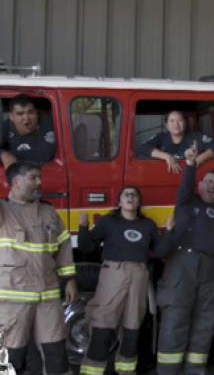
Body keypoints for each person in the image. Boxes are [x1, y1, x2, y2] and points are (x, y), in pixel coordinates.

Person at [156, 143, 214, 374]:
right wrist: (191, 164)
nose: (212, 187)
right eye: (208, 182)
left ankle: (195, 370)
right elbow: (185, 185)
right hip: (182, 267)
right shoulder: (186, 201)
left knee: (205, 323)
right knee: (175, 321)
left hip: (211, 271)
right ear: (200, 185)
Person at [77, 188, 174, 375]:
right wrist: (83, 227)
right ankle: (91, 372)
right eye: (126, 195)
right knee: (103, 324)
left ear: (138, 203)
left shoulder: (148, 225)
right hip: (113, 273)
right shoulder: (108, 222)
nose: (130, 197)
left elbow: (160, 252)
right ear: (119, 202)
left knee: (132, 327)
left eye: (134, 195)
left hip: (139, 275)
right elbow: (86, 247)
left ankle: (126, 371)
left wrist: (169, 232)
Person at [0, 162, 77, 375]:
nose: (40, 182)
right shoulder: (3, 211)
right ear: (15, 182)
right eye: (33, 178)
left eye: (39, 177)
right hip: (14, 298)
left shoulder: (48, 212)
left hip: (48, 296)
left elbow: (63, 246)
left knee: (56, 353)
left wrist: (69, 278)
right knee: (10, 355)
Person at [137, 110, 214, 173]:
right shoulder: (161, 137)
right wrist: (166, 156)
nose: (176, 124)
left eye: (180, 120)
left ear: (185, 123)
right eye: (172, 121)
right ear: (166, 125)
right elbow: (142, 148)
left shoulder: (196, 137)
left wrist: (200, 158)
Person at [0, 94, 55, 167]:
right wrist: (3, 153)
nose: (26, 118)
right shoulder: (7, 126)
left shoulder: (49, 123)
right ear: (11, 117)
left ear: (37, 113)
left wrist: (15, 159)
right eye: (20, 114)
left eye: (30, 112)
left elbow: (44, 158)